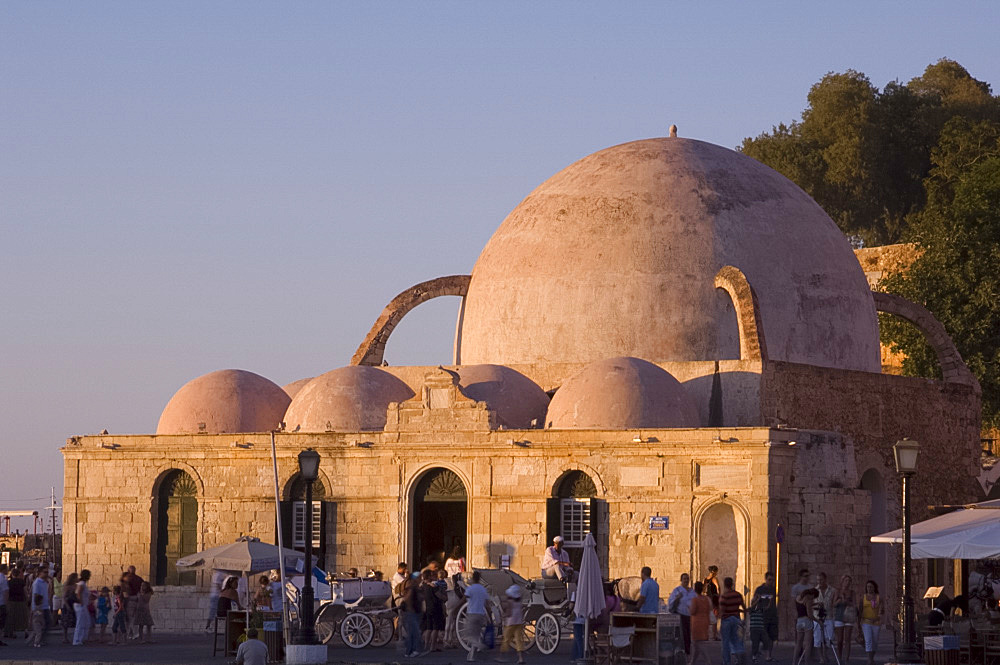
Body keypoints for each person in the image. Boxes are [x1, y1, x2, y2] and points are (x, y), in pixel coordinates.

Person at [718, 577, 746, 665]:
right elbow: (743, 607)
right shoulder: (738, 595)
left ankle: (727, 662)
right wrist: (744, 619)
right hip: (736, 619)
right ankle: (740, 657)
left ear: (725, 585)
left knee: (725, 642)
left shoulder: (724, 596)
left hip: (727, 620)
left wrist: (719, 622)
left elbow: (722, 611)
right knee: (737, 640)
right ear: (732, 584)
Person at [751, 572, 778, 662]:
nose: (771, 582)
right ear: (765, 579)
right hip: (762, 617)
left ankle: (768, 656)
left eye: (772, 580)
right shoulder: (759, 589)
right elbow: (754, 602)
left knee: (771, 636)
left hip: (772, 616)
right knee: (761, 636)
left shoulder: (774, 590)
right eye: (769, 580)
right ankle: (757, 652)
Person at [463, 571, 490, 662]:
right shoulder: (483, 589)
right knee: (476, 635)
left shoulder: (470, 589)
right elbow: (487, 604)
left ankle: (480, 645)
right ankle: (471, 656)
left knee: (468, 635)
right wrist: (489, 616)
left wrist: (455, 608)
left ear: (473, 578)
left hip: (472, 613)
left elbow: (464, 598)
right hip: (481, 614)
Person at [667, 573, 696, 653]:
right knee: (682, 634)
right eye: (684, 579)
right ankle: (682, 651)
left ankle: (688, 650)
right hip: (681, 615)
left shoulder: (692, 592)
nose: (686, 580)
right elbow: (671, 603)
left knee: (689, 634)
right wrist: (677, 598)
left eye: (687, 579)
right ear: (681, 580)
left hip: (690, 616)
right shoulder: (677, 590)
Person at [499, 584, 527, 664]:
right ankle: (521, 658)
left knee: (506, 640)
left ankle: (502, 657)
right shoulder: (519, 602)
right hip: (519, 622)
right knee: (519, 640)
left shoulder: (510, 601)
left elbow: (509, 612)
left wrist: (503, 616)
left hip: (511, 622)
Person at [400, 572, 425, 657]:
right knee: (414, 632)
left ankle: (409, 651)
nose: (421, 579)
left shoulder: (416, 588)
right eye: (419, 577)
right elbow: (408, 599)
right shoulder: (412, 588)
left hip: (415, 612)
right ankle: (412, 651)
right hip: (412, 613)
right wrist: (410, 609)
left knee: (413, 632)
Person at [832, 574, 856, 663]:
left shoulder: (852, 592)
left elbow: (854, 604)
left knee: (847, 638)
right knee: (840, 639)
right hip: (839, 616)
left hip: (849, 616)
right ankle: (839, 656)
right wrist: (840, 600)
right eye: (846, 580)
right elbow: (834, 604)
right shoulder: (838, 592)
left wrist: (847, 602)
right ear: (842, 581)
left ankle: (847, 658)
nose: (847, 582)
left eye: (849, 581)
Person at [858, 580, 883, 665]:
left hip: (876, 622)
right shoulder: (863, 598)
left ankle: (872, 657)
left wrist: (880, 612)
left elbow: (881, 609)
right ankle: (869, 659)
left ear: (874, 587)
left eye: (871, 587)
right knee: (868, 640)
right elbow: (860, 610)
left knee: (875, 641)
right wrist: (858, 623)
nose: (869, 588)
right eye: (868, 587)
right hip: (866, 622)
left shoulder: (879, 597)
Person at [812, 573, 835, 664]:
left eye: (821, 580)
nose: (819, 582)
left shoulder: (832, 590)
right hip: (817, 616)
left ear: (825, 579)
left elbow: (834, 603)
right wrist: (817, 605)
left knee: (829, 637)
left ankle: (825, 654)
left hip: (828, 616)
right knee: (818, 639)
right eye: (818, 580)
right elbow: (811, 604)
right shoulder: (814, 591)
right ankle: (821, 657)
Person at [421, 569, 445, 653]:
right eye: (431, 575)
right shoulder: (433, 587)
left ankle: (426, 645)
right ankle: (432, 646)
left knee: (429, 628)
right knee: (435, 628)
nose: (433, 577)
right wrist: (444, 597)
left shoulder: (423, 586)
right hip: (435, 608)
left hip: (428, 608)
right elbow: (440, 596)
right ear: (428, 576)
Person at [794, 587, 819, 665]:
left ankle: (794, 662)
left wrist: (816, 604)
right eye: (814, 597)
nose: (813, 599)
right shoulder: (809, 599)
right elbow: (810, 615)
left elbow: (803, 606)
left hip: (799, 621)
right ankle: (807, 663)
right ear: (812, 595)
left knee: (798, 644)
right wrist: (819, 622)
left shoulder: (798, 597)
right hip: (807, 621)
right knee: (807, 644)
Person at [27, 566, 50, 648]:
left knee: (45, 624)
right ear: (40, 573)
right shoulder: (37, 583)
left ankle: (35, 640)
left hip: (45, 606)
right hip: (39, 607)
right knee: (39, 625)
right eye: (45, 572)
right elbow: (36, 595)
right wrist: (37, 608)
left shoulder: (45, 582)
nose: (47, 574)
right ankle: (37, 641)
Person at [121, 565, 143, 640]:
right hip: (133, 600)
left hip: (130, 600)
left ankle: (131, 633)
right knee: (131, 618)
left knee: (130, 618)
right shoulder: (139, 579)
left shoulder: (128, 580)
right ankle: (131, 633)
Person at [4, 567, 27, 639]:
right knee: (22, 617)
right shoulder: (22, 581)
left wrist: (6, 601)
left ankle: (10, 632)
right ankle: (24, 631)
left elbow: (7, 592)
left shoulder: (9, 582)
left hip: (12, 600)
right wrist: (27, 598)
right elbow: (25, 590)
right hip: (21, 600)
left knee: (11, 618)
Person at [72, 569, 92, 646]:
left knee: (86, 622)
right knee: (80, 623)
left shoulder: (82, 583)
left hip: (82, 605)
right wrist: (81, 602)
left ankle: (82, 638)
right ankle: (77, 640)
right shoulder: (81, 583)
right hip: (80, 606)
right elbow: (79, 593)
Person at [60, 572, 78, 643]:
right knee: (66, 622)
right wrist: (67, 606)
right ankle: (65, 637)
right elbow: (64, 597)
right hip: (68, 604)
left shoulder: (76, 586)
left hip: (74, 603)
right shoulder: (67, 586)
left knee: (74, 621)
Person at [704, 565, 721, 640]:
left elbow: (703, 590)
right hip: (714, 600)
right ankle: (714, 636)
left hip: (707, 600)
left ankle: (706, 635)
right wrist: (719, 596)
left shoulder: (705, 579)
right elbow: (718, 588)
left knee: (707, 619)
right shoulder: (714, 579)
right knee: (715, 618)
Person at [0, 563, 8, 646]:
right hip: (2, 602)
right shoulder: (3, 579)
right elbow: (6, 592)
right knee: (2, 622)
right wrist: (6, 603)